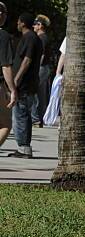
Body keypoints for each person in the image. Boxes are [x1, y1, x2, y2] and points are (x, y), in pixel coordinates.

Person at [9, 12, 42, 159]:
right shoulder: (32, 38)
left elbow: (27, 60)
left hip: (24, 84)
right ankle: (23, 147)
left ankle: (24, 147)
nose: (17, 24)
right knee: (23, 114)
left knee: (21, 114)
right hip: (27, 83)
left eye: (18, 21)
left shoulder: (30, 38)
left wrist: (16, 79)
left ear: (23, 23)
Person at [0, 1, 17, 148]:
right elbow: (5, 65)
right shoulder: (2, 35)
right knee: (5, 124)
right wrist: (12, 89)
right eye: (5, 13)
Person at [30, 15, 51, 127]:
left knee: (33, 93)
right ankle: (40, 119)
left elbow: (41, 56)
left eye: (36, 24)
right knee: (41, 95)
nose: (33, 26)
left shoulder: (41, 38)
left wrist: (35, 69)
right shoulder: (44, 37)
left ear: (40, 25)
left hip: (40, 68)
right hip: (44, 68)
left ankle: (35, 119)